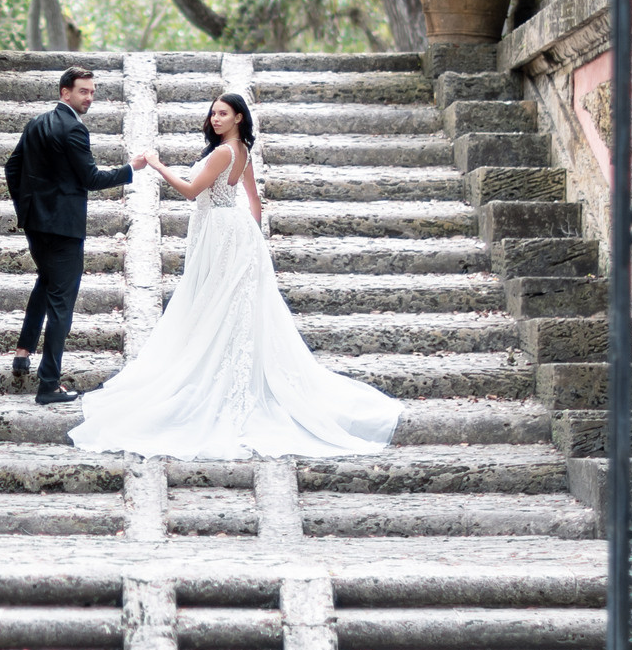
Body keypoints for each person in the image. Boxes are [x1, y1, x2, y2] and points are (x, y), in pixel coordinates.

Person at [70, 92, 401, 458]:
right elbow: (254, 201)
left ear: (239, 117)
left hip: (221, 233)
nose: (215, 119)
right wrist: (252, 241)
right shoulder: (242, 150)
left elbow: (192, 192)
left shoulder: (225, 153)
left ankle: (217, 380)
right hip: (235, 232)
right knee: (229, 305)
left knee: (215, 303)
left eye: (223, 114)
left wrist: (157, 165)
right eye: (213, 113)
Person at [3, 67, 147, 406]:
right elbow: (91, 178)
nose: (90, 98)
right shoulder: (73, 130)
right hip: (63, 230)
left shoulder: (37, 123)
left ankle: (23, 351)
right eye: (84, 91)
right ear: (65, 92)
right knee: (61, 305)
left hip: (36, 225)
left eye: (93, 92)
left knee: (45, 282)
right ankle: (48, 384)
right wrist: (131, 169)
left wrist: (28, 209)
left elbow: (12, 168)